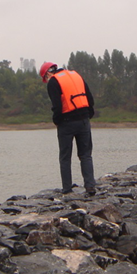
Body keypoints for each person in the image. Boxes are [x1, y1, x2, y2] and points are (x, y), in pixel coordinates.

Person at [40, 62, 97, 196]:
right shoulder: (76, 75)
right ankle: (90, 186)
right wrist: (87, 115)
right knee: (85, 155)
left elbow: (57, 106)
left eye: (45, 78)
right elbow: (90, 99)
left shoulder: (53, 82)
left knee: (65, 157)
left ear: (48, 73)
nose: (47, 80)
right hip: (84, 120)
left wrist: (57, 121)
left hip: (66, 123)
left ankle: (67, 189)